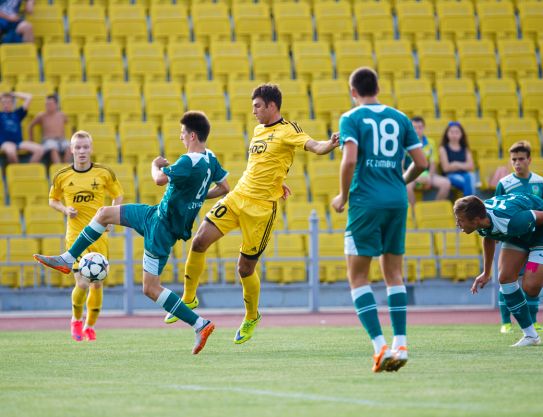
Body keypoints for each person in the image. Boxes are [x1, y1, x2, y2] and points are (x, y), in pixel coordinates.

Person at [34, 111, 230, 354]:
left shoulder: (188, 161)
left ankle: (200, 324)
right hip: (155, 214)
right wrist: (198, 197)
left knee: (150, 288)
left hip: (161, 228)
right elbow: (224, 187)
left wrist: (154, 165)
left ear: (191, 135)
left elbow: (158, 180)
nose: (180, 137)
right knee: (105, 213)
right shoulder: (210, 158)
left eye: (181, 133)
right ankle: (67, 258)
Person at [164, 83, 339, 345]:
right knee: (199, 240)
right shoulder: (258, 130)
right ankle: (189, 297)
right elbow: (263, 164)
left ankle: (251, 315)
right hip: (238, 197)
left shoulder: (288, 130)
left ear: (271, 106)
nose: (253, 111)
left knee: (244, 268)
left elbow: (314, 146)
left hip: (261, 210)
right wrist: (277, 179)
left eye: (257, 106)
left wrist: (331, 144)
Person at [330, 67, 427, 373]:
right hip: (397, 201)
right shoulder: (400, 118)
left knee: (358, 276)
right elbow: (422, 163)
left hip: (366, 202)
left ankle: (379, 347)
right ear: (379, 88)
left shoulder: (351, 118)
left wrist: (343, 197)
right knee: (394, 273)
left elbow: (350, 159)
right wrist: (400, 180)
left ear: (353, 91)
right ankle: (401, 343)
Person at [47, 130, 123, 342]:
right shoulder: (62, 176)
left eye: (85, 147)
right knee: (81, 282)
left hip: (99, 237)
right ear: (71, 150)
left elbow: (118, 195)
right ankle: (76, 320)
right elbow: (52, 199)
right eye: (78, 147)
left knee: (97, 283)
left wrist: (113, 217)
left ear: (91, 149)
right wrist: (64, 210)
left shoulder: (104, 173)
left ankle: (90, 325)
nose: (81, 151)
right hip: (75, 236)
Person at [454, 194, 543, 347]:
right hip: (518, 237)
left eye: (460, 220)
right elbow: (488, 236)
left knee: (531, 287)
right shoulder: (481, 220)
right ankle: (530, 336)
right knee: (505, 278)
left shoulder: (511, 221)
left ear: (475, 220)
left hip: (539, 236)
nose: (457, 223)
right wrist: (486, 272)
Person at [494, 141, 543, 334]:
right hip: (514, 240)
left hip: (535, 243)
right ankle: (505, 322)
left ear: (529, 160)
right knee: (507, 277)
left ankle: (532, 320)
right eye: (514, 159)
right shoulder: (504, 184)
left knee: (532, 281)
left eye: (521, 159)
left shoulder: (540, 182)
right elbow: (498, 209)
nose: (517, 163)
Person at [405, 116, 450, 206]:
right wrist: (412, 176)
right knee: (407, 187)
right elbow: (400, 164)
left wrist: (429, 176)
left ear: (424, 128)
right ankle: (414, 213)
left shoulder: (430, 142)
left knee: (446, 183)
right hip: (410, 175)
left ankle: (434, 208)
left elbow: (434, 162)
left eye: (420, 127)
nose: (417, 130)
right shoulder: (405, 142)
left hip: (427, 174)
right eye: (414, 127)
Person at [0, 91, 44, 163]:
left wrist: (13, 94)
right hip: (5, 143)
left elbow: (29, 97)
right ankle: (16, 171)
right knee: (11, 151)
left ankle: (29, 170)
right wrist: (2, 95)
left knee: (40, 149)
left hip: (19, 142)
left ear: (12, 103)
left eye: (8, 102)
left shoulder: (17, 114)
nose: (6, 104)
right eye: (4, 102)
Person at [28, 94, 70, 163]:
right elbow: (31, 125)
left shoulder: (62, 115)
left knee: (69, 147)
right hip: (48, 140)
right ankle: (58, 168)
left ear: (56, 104)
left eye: (50, 104)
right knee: (53, 148)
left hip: (62, 139)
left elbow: (68, 125)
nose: (48, 106)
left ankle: (65, 168)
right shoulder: (42, 115)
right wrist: (31, 139)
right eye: (46, 104)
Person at [438, 121, 475, 196]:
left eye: (457, 132)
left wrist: (455, 164)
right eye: (451, 132)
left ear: (461, 134)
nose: (454, 135)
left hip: (465, 174)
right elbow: (446, 168)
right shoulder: (443, 149)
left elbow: (471, 166)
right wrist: (464, 166)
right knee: (468, 182)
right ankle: (470, 203)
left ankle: (467, 203)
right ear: (447, 134)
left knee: (470, 176)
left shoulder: (465, 148)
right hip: (450, 175)